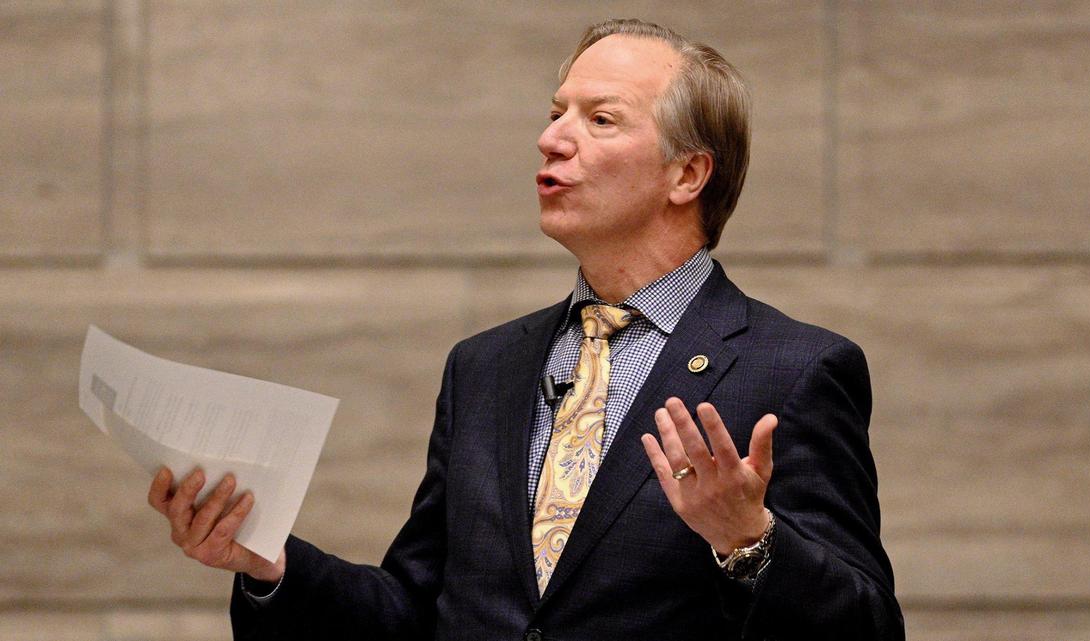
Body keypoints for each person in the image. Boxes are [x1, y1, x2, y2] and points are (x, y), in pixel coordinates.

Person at [147, 18, 905, 640]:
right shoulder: (486, 368)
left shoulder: (796, 369)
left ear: (688, 175)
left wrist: (751, 541)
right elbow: (416, 610)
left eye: (600, 119)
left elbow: (866, 628)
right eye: (555, 114)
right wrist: (271, 565)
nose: (552, 139)